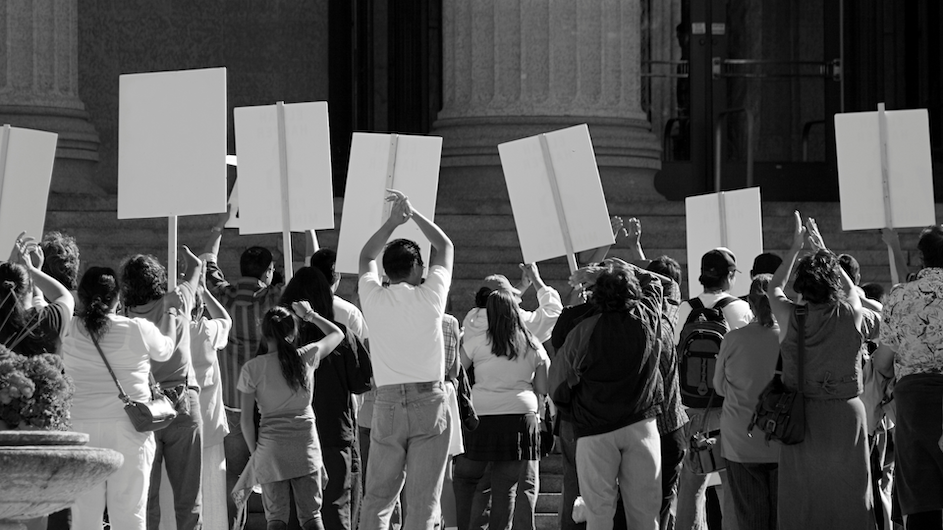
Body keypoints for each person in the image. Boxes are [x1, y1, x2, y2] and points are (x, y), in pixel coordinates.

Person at [767, 212, 875, 530]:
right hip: (846, 413)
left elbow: (774, 286)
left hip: (802, 413)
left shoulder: (789, 316)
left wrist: (796, 247)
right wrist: (823, 250)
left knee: (803, 498)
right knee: (851, 496)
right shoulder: (851, 312)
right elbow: (852, 288)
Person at [357, 189, 454, 530]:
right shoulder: (431, 296)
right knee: (423, 502)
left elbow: (365, 255)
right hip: (428, 401)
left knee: (378, 499)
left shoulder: (373, 297)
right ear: (416, 268)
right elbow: (446, 247)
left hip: (386, 404)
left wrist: (391, 223)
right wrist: (412, 216)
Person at [550, 262, 667, 530]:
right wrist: (607, 272)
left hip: (594, 428)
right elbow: (657, 283)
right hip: (641, 424)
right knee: (646, 516)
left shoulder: (582, 329)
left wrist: (575, 405)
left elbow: (557, 386)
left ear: (596, 294)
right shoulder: (647, 317)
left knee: (599, 514)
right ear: (633, 293)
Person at [62, 266, 175, 530]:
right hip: (129, 430)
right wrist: (171, 311)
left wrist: (31, 269)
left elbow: (54, 300)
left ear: (82, 297)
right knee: (129, 514)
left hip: (81, 430)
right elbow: (166, 351)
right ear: (118, 298)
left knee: (84, 517)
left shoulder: (69, 329)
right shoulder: (137, 328)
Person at [233, 304, 344, 530]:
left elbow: (246, 421)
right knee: (312, 516)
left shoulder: (252, 369)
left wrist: (257, 455)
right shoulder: (307, 356)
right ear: (293, 333)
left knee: (276, 518)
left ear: (264, 334)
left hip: (271, 449)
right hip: (305, 446)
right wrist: (311, 315)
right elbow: (337, 334)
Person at [279, 266, 372, 530]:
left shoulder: (278, 340)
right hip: (333, 431)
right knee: (335, 510)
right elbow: (361, 382)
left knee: (296, 513)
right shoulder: (340, 335)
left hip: (288, 433)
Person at [202, 221, 284, 523]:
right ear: (267, 272)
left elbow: (207, 263)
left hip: (231, 403)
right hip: (267, 407)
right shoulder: (271, 300)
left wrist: (219, 228)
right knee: (276, 478)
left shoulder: (222, 296)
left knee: (235, 477)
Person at [453, 289, 550, 530]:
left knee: (466, 479)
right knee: (507, 487)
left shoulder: (477, 342)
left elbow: (456, 373)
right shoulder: (532, 344)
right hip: (520, 417)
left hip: (482, 416)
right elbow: (542, 386)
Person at [120, 249, 203, 530]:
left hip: (144, 411)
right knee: (189, 502)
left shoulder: (125, 316)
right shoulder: (178, 300)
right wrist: (186, 255)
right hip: (183, 405)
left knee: (147, 502)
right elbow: (197, 268)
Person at [674, 248, 752, 530]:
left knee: (691, 485)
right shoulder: (740, 310)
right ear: (729, 276)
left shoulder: (685, 308)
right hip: (727, 410)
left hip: (688, 409)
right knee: (731, 486)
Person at [874, 224, 943, 528]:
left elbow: (884, 362)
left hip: (914, 401)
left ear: (920, 256)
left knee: (921, 491)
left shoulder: (901, 296)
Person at [712, 274, 780, 530]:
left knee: (751, 517)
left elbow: (719, 387)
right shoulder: (791, 339)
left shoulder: (733, 339)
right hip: (782, 437)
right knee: (780, 517)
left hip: (741, 439)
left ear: (750, 303)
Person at [187, 274, 232, 530]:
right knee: (212, 492)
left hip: (178, 425)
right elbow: (226, 320)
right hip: (209, 424)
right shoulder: (205, 329)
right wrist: (204, 291)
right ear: (201, 306)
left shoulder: (166, 330)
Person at [0, 234, 75, 357]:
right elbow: (64, 296)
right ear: (29, 284)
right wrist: (31, 269)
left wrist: (11, 267)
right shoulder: (49, 321)